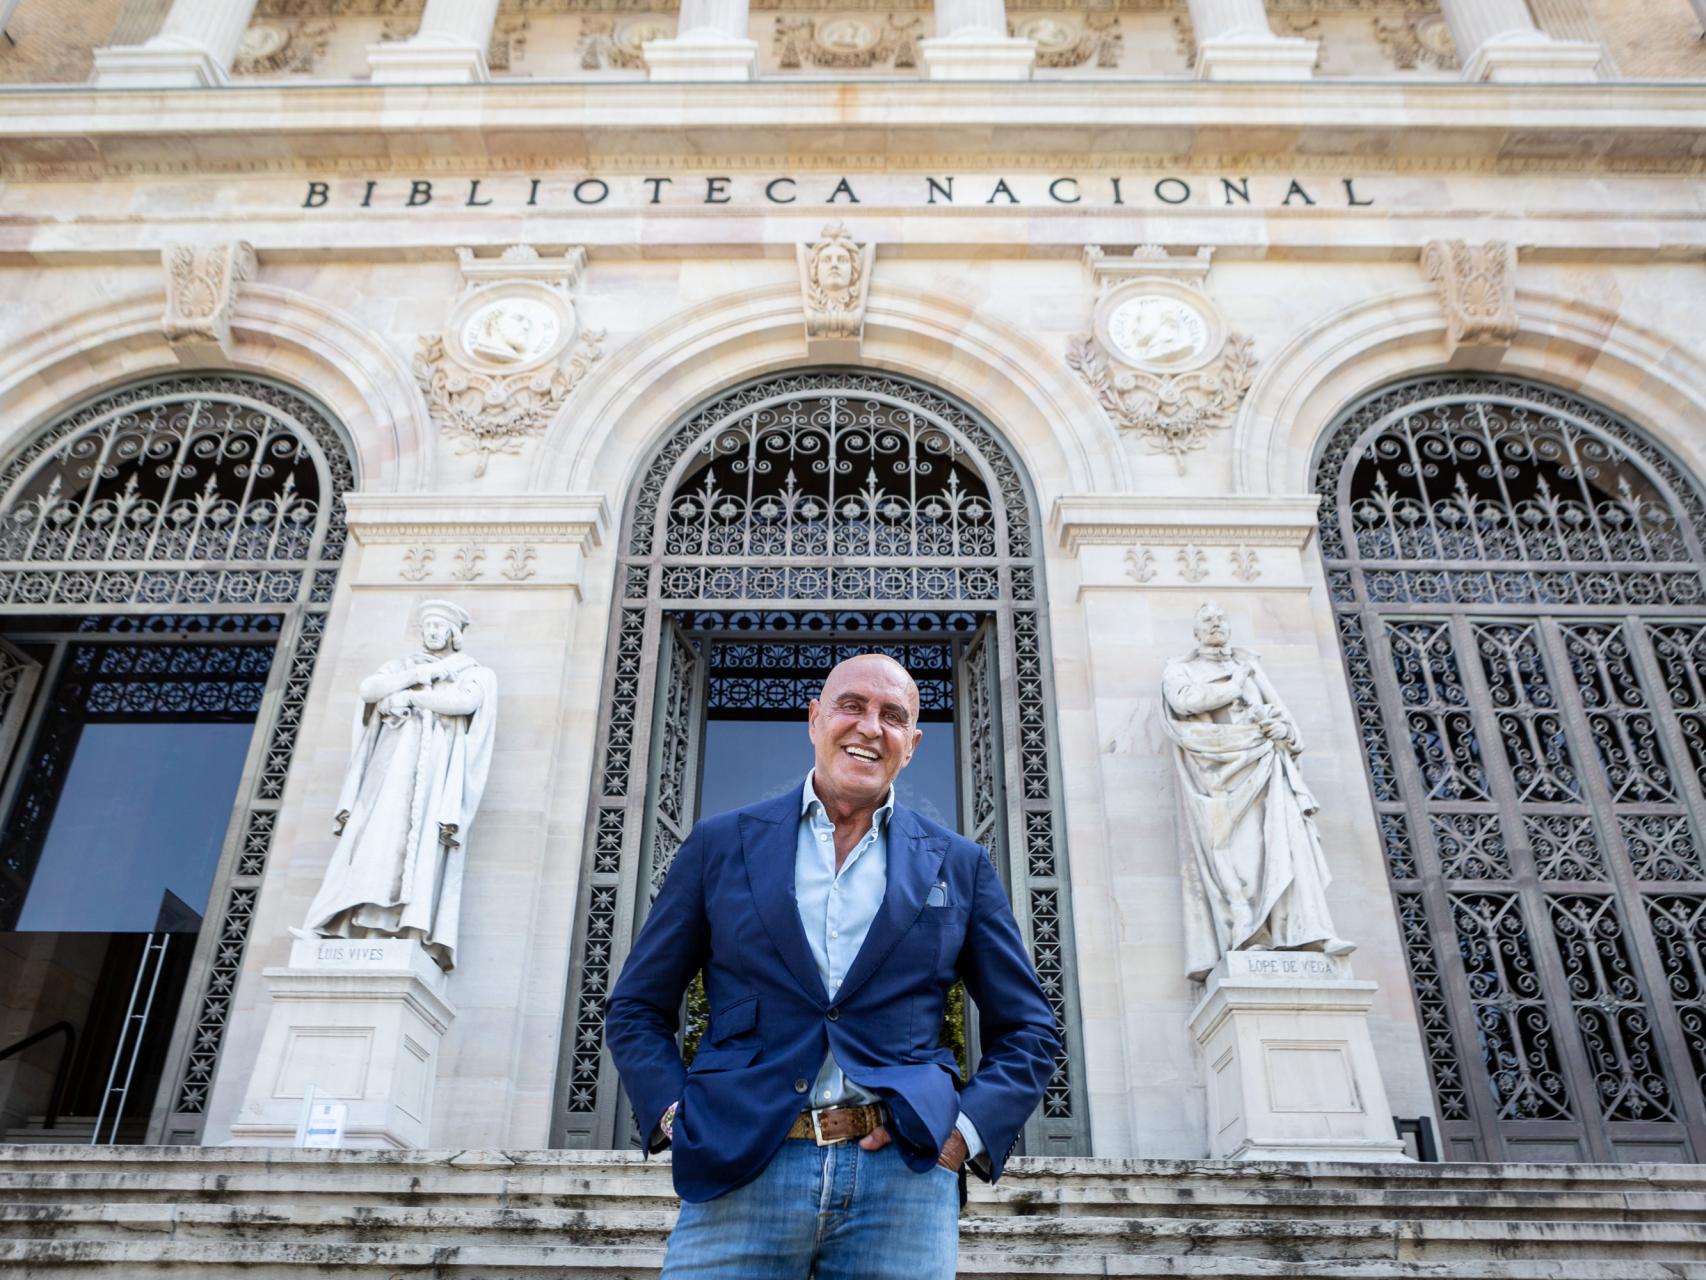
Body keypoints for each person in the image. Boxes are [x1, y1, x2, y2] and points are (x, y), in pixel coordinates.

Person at [606, 652, 1058, 1279]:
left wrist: (961, 1135)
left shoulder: (960, 864)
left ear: (913, 743)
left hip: (901, 1180)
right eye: (852, 706)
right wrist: (673, 1115)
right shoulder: (718, 845)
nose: (870, 727)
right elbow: (637, 1006)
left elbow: (1030, 1029)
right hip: (742, 1167)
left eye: (893, 716)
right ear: (815, 718)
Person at [298, 599, 497, 971]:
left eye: (439, 627)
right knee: (372, 840)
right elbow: (369, 689)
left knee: (417, 851)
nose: (433, 633)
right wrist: (408, 681)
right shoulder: (401, 667)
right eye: (427, 627)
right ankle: (343, 921)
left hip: (433, 779)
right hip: (389, 773)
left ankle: (407, 931)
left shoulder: (470, 671)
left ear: (453, 634)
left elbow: (466, 701)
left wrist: (410, 698)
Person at [1161, 602, 1353, 981]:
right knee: (1242, 857)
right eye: (1207, 621)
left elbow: (1285, 720)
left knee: (1288, 847)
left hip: (1266, 764)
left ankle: (1307, 932)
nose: (1215, 624)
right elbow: (1186, 702)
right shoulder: (1181, 669)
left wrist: (1285, 733)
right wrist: (1234, 684)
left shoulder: (1251, 666)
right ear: (1196, 632)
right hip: (1219, 776)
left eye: (1221, 619)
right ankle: (1249, 936)